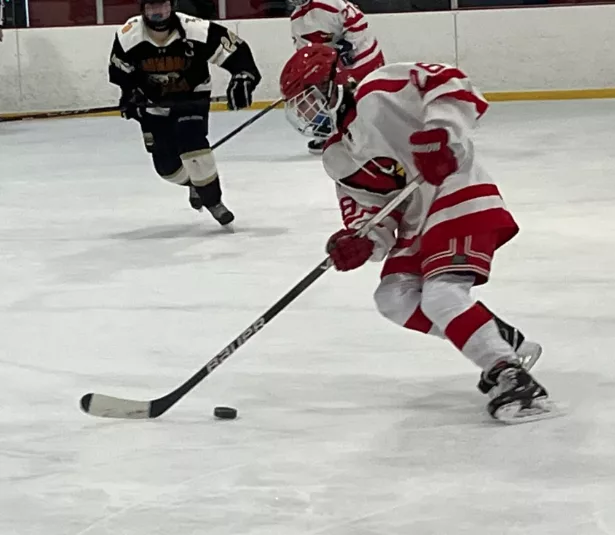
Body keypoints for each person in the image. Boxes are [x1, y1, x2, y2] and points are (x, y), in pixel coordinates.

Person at [278, 44, 555, 423]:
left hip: (458, 195)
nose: (307, 112)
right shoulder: (337, 157)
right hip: (419, 222)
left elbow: (449, 81)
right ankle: (494, 336)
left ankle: (512, 376)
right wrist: (361, 241)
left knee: (442, 295)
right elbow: (374, 216)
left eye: (310, 98)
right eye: (299, 106)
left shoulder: (379, 90)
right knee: (394, 297)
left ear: (336, 81)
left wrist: (441, 133)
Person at [108, 0, 261, 226]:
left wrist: (243, 76)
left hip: (192, 97)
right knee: (167, 168)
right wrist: (129, 95)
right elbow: (121, 72)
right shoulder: (128, 36)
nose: (157, 13)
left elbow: (236, 50)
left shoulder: (196, 30)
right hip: (154, 104)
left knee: (192, 142)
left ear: (172, 6)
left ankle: (213, 201)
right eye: (151, 7)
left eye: (162, 6)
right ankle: (196, 184)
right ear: (142, 10)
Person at [288, 0, 385, 154]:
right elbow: (306, 51)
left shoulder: (330, 2)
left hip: (363, 56)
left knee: (362, 96)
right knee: (318, 90)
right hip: (338, 63)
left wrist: (349, 45)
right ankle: (328, 128)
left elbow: (357, 21)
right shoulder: (296, 20)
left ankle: (365, 130)